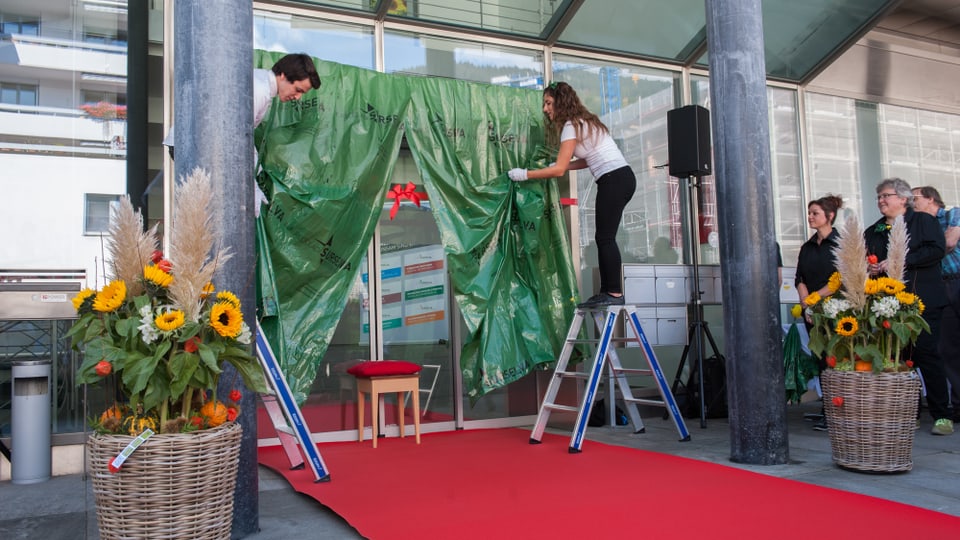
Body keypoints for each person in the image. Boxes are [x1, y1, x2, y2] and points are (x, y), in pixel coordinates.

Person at [508, 82, 636, 308]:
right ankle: (608, 291)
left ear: (560, 101)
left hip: (612, 179)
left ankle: (614, 293)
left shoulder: (570, 126)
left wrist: (525, 174)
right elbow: (587, 159)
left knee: (605, 238)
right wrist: (564, 165)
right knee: (604, 237)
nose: (545, 109)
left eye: (548, 103)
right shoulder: (585, 122)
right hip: (621, 177)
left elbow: (557, 170)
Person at [163, 53, 321, 216]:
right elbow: (235, 141)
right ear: (283, 75)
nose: (298, 97)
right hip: (194, 145)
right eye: (297, 89)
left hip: (193, 143)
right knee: (215, 211)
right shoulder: (258, 90)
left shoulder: (260, 83)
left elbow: (241, 137)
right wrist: (251, 188)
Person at [864, 178, 952, 435]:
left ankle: (941, 415)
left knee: (927, 354)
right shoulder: (875, 230)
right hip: (888, 305)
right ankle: (908, 412)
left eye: (886, 196)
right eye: (879, 197)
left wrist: (898, 261)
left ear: (903, 199)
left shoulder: (924, 221)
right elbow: (868, 258)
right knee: (899, 358)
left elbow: (936, 250)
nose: (881, 200)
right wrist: (871, 267)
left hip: (923, 299)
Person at [795, 195, 843, 431]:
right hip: (813, 312)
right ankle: (828, 407)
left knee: (836, 359)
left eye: (815, 213)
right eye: (810, 212)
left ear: (829, 216)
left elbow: (840, 280)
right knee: (821, 360)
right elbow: (800, 278)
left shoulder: (842, 243)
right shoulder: (807, 246)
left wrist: (816, 299)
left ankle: (838, 409)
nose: (810, 217)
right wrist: (807, 305)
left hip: (837, 310)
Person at [913, 186, 960, 422]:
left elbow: (948, 243)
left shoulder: (953, 214)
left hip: (958, 280)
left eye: (915, 198)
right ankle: (958, 406)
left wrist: (930, 248)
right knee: (948, 348)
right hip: (942, 286)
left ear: (931, 198)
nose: (912, 203)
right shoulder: (919, 226)